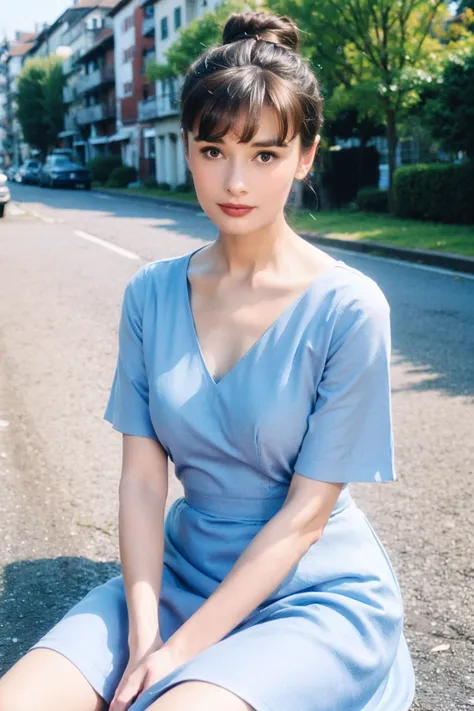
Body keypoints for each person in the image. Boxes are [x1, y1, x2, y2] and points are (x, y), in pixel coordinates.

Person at [0, 11, 416, 711]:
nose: (235, 181)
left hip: (311, 592)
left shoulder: (350, 308)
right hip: (177, 573)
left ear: (305, 156)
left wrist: (178, 655)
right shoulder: (151, 293)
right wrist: (142, 631)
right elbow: (141, 481)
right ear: (188, 148)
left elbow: (305, 519)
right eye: (213, 148)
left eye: (264, 154)